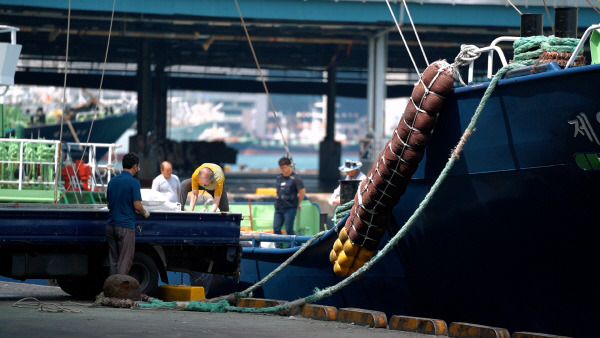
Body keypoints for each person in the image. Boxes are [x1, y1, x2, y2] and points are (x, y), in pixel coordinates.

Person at [106, 152, 149, 276]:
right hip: (125, 226)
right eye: (138, 166)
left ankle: (112, 288)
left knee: (113, 260)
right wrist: (145, 213)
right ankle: (120, 289)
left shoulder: (112, 181)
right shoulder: (134, 182)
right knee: (125, 259)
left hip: (111, 225)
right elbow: (137, 205)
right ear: (135, 166)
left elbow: (109, 205)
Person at [273, 157, 305, 242]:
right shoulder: (279, 177)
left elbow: (302, 191)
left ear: (289, 166)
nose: (282, 169)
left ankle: (292, 245)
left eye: (284, 167)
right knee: (276, 228)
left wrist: (298, 203)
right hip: (279, 206)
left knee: (288, 229)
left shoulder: (295, 178)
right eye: (281, 168)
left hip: (290, 207)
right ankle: (278, 247)